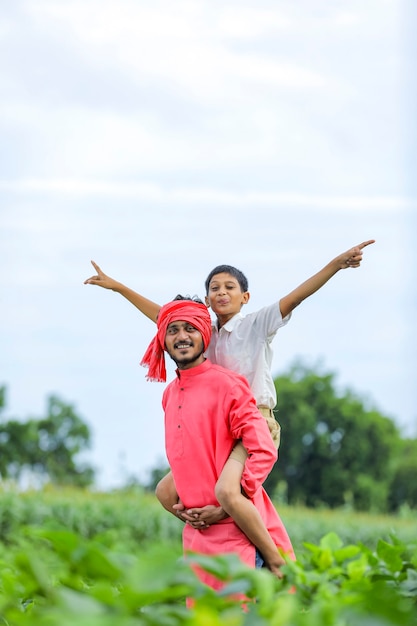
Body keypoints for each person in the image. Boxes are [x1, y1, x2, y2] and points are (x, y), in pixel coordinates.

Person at [84, 239, 375, 535]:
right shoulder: (202, 334)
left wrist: (336, 265)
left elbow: (297, 296)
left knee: (228, 494)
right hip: (216, 431)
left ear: (245, 296)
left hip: (254, 425)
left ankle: (269, 555)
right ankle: (202, 524)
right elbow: (165, 317)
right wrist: (118, 287)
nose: (221, 292)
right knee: (165, 492)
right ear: (207, 301)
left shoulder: (257, 325)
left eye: (229, 287)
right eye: (214, 288)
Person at [140, 296, 295, 591]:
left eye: (190, 328)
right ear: (162, 339)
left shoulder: (229, 385)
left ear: (204, 333)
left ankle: (276, 561)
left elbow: (262, 448)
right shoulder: (170, 394)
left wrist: (230, 502)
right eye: (173, 330)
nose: (182, 337)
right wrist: (193, 513)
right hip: (199, 547)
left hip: (242, 545)